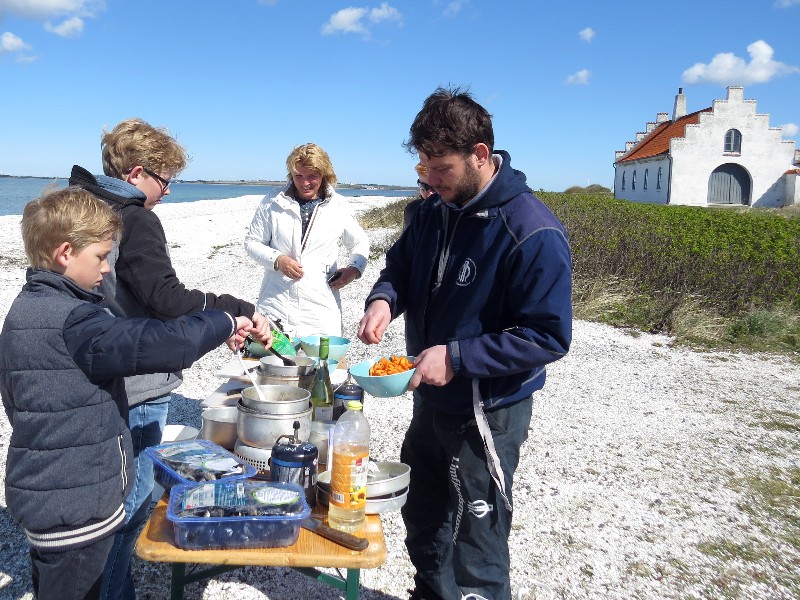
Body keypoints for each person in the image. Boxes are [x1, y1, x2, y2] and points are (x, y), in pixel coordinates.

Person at [358, 87, 573, 600]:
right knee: (425, 513)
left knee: (476, 540)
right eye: (424, 171)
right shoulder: (435, 211)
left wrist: (457, 356)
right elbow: (400, 268)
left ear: (480, 155)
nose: (430, 183)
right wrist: (384, 300)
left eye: (441, 170)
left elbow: (548, 336)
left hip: (486, 410)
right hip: (429, 396)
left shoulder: (531, 232)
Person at [0, 188, 252, 600]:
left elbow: (15, 399)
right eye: (101, 257)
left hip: (46, 497)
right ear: (66, 253)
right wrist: (224, 319)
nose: (105, 270)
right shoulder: (75, 322)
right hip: (77, 508)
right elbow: (164, 342)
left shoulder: (25, 309)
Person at [68, 118, 272, 600]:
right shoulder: (134, 217)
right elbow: (166, 298)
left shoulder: (79, 208)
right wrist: (233, 310)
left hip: (93, 371)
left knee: (105, 499)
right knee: (131, 506)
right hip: (137, 379)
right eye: (165, 181)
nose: (168, 192)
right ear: (138, 172)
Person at [244, 143, 369, 337]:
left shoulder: (339, 206)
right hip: (276, 302)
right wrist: (278, 260)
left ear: (325, 175)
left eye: (312, 176)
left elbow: (360, 242)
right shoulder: (273, 201)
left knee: (325, 364)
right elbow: (252, 242)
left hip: (320, 306)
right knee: (273, 363)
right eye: (298, 176)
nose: (305, 183)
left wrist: (354, 269)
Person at [403, 162, 436, 230]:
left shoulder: (457, 214)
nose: (429, 194)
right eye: (424, 186)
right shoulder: (412, 209)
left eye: (435, 187)